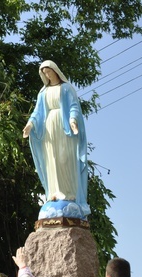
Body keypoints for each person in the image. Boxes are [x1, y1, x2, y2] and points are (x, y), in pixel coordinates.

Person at [23, 60, 89, 220]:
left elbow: (74, 106)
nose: (47, 75)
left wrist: (73, 120)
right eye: (44, 73)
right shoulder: (43, 92)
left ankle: (68, 193)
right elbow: (37, 112)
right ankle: (54, 193)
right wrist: (30, 124)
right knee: (51, 160)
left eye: (49, 71)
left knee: (64, 159)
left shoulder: (66, 88)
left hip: (64, 126)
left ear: (55, 71)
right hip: (48, 129)